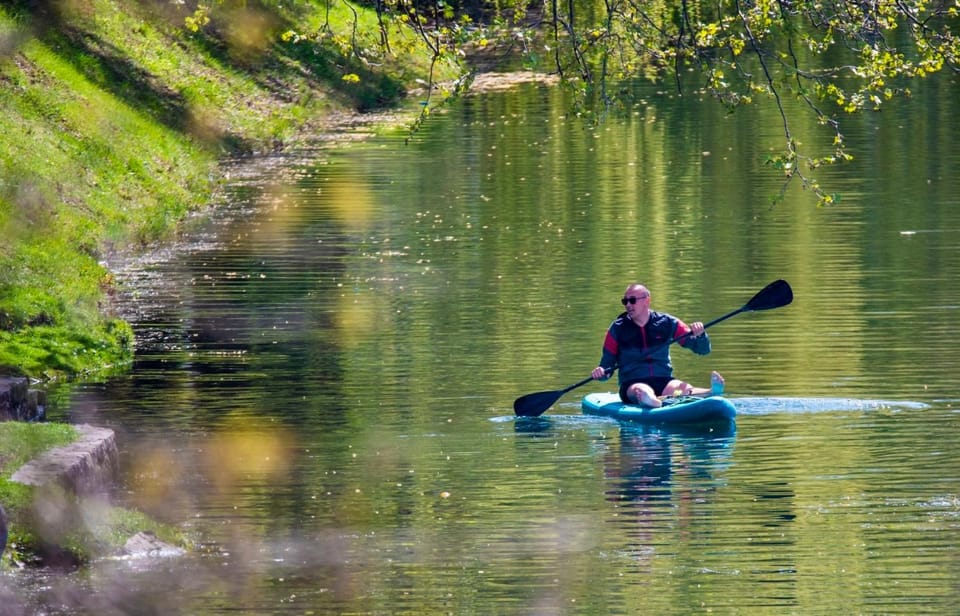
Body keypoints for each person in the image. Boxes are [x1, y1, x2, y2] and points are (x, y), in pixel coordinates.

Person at [591, 283, 723, 407]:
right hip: (632, 383)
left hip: (663, 380)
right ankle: (651, 400)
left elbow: (703, 350)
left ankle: (712, 391)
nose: (628, 305)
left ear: (647, 300)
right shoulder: (617, 329)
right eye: (625, 301)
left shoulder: (668, 323)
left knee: (683, 388)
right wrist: (601, 372)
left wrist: (700, 335)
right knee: (642, 390)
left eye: (632, 300)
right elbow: (607, 367)